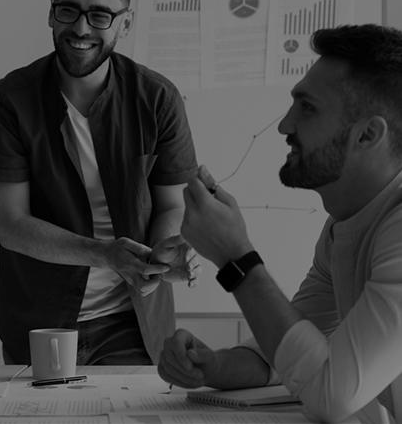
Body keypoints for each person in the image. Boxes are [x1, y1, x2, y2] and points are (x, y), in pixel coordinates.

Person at [159, 24, 402, 423]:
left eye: (307, 108)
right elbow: (290, 351)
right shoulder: (343, 227)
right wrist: (213, 365)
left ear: (368, 135)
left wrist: (236, 257)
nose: (285, 126)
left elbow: (332, 396)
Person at [0, 0, 199, 366]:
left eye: (99, 15)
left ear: (124, 24)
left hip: (134, 319)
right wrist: (105, 254)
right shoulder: (6, 103)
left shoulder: (157, 98)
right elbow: (11, 226)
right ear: (52, 14)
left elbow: (173, 204)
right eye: (68, 10)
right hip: (42, 324)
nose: (80, 27)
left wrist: (161, 255)